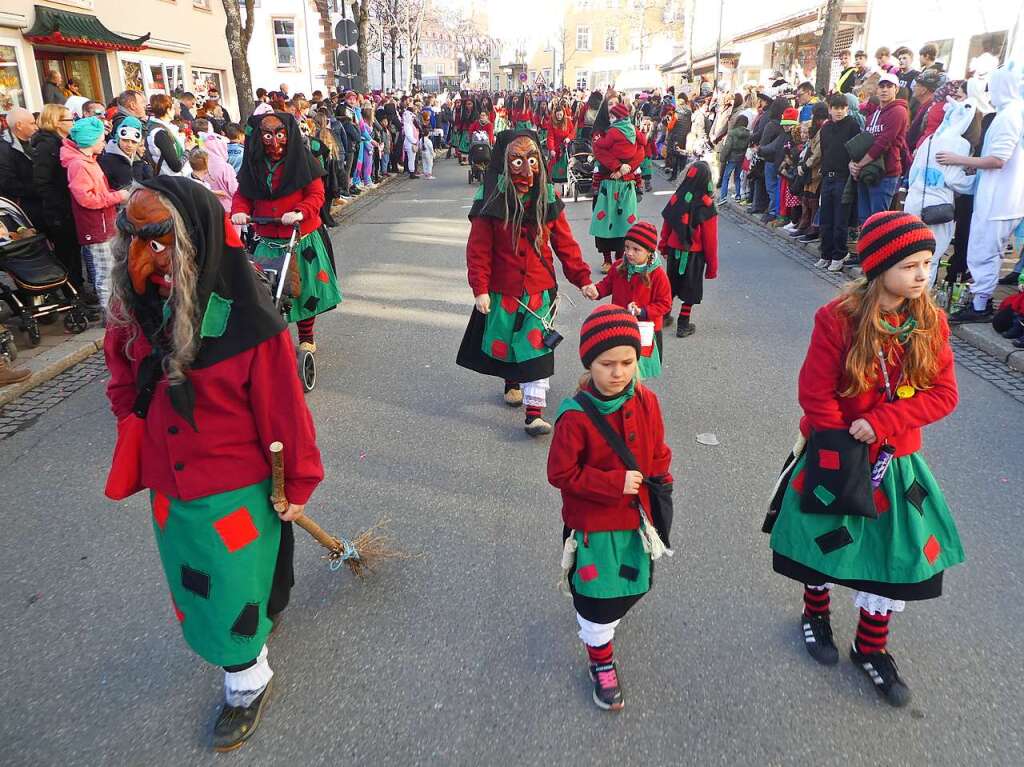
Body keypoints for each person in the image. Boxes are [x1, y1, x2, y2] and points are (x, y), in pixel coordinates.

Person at [104, 177, 322, 751]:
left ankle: (246, 680)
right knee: (192, 581)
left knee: (230, 587)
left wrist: (298, 481)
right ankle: (247, 633)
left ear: (193, 239)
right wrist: (136, 421)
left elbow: (286, 415)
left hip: (234, 490)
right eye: (131, 239)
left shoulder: (251, 326)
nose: (141, 260)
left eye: (157, 242)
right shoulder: (133, 314)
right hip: (168, 488)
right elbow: (122, 382)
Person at [765, 210, 963, 708]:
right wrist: (842, 444)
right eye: (910, 265)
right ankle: (815, 615)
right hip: (836, 456)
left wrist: (882, 424)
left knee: (890, 554)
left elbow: (943, 394)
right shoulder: (838, 319)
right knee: (824, 541)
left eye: (927, 263)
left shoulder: (932, 322)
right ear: (879, 267)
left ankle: (871, 648)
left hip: (895, 462)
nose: (922, 275)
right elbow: (815, 392)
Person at [547, 304, 673, 711]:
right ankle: (600, 660)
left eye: (628, 362)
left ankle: (604, 628)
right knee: (598, 601)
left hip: (635, 520)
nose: (618, 372)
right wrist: (612, 483)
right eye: (607, 363)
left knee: (632, 585)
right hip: (594, 525)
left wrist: (661, 483)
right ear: (589, 362)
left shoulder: (647, 400)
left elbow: (657, 449)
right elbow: (561, 473)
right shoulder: (575, 416)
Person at [456, 129, 595, 436]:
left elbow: (565, 242)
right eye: (517, 160)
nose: (525, 167)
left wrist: (582, 277)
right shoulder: (490, 197)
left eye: (531, 159)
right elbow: (478, 249)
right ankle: (511, 380)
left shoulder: (547, 195)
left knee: (536, 349)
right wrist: (480, 288)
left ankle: (534, 413)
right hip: (503, 290)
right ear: (505, 162)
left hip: (538, 290)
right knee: (508, 346)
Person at [231, 112, 341, 352]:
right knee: (264, 292)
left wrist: (300, 212)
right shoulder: (254, 165)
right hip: (268, 239)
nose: (274, 143)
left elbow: (316, 194)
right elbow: (243, 194)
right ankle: (272, 341)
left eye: (280, 135)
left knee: (303, 291)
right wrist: (239, 210)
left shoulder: (302, 161)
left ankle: (306, 338)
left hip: (300, 237)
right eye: (268, 136)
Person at [941, 64, 1024, 323]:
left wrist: (958, 159)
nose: (990, 93)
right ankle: (981, 301)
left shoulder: (1009, 115)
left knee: (983, 251)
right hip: (1002, 196)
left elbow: (998, 159)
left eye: (992, 87)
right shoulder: (1012, 113)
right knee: (988, 251)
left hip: (1000, 199)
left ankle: (980, 305)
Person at [903, 99, 976, 287]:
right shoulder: (959, 144)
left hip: (914, 201)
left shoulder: (930, 138)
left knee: (910, 254)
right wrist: (978, 182)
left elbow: (913, 173)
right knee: (930, 258)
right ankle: (921, 302)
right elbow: (954, 180)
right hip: (938, 207)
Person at [584, 221, 671, 379]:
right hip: (619, 325)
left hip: (645, 330)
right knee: (619, 367)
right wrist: (595, 291)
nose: (629, 253)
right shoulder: (618, 266)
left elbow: (665, 304)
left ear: (649, 252)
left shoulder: (658, 275)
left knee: (638, 370)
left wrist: (643, 311)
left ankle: (634, 398)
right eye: (627, 247)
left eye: (636, 249)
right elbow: (606, 285)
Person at [61, 116, 130, 312]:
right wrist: (117, 196)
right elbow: (87, 199)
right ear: (90, 141)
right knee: (105, 272)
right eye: (101, 139)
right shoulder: (79, 165)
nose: (104, 142)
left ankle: (116, 309)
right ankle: (109, 314)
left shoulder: (89, 161)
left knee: (111, 270)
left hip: (104, 224)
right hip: (95, 228)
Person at [658, 160, 719, 337]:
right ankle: (683, 324)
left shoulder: (677, 197)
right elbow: (710, 240)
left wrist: (663, 245)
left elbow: (667, 224)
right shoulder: (706, 206)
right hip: (694, 254)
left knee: (672, 284)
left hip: (674, 250)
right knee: (690, 288)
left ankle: (664, 315)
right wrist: (712, 267)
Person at [31, 104, 84, 289]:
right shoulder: (46, 146)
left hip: (67, 207)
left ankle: (78, 290)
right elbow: (42, 182)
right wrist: (60, 206)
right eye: (69, 119)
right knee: (66, 255)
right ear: (56, 122)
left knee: (74, 253)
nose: (73, 122)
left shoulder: (63, 142)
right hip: (59, 211)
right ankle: (73, 294)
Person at [590, 100, 645, 273]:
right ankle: (606, 259)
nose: (612, 115)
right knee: (605, 223)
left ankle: (621, 259)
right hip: (607, 185)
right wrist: (616, 166)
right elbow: (599, 151)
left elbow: (641, 151)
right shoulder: (603, 131)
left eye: (615, 104)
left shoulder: (628, 131)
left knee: (625, 225)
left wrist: (626, 170)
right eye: (609, 105)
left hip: (625, 184)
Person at [851, 72, 909, 225]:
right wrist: (853, 163)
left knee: (878, 222)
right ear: (876, 90)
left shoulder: (899, 111)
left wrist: (859, 164)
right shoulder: (873, 114)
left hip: (886, 173)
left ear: (896, 89)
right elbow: (864, 142)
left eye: (889, 86)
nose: (884, 90)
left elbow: (883, 143)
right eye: (881, 86)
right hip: (866, 171)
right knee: (864, 220)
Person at [816, 94, 862, 271]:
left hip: (844, 178)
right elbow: (824, 151)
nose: (839, 111)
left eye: (842, 108)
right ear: (830, 109)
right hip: (828, 177)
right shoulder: (826, 128)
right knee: (826, 218)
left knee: (840, 219)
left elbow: (857, 150)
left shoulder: (852, 125)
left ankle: (839, 255)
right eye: (836, 108)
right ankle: (825, 254)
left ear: (847, 109)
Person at [0, 107, 43, 225]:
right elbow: (8, 183)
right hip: (25, 209)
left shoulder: (36, 143)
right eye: (32, 123)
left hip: (38, 203)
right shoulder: (4, 150)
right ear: (19, 125)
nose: (36, 127)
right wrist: (39, 189)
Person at [98, 115, 154, 191]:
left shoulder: (139, 162)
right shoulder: (106, 161)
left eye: (134, 142)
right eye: (125, 140)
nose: (129, 145)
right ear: (118, 138)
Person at [146, 95, 185, 176]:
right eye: (173, 108)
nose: (175, 111)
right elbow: (176, 166)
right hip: (172, 179)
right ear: (168, 110)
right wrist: (188, 149)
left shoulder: (156, 127)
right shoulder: (160, 133)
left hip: (170, 177)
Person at [718, 114, 750, 203]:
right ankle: (738, 195)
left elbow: (727, 147)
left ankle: (723, 197)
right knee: (737, 177)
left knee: (726, 177)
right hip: (741, 158)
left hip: (732, 158)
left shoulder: (732, 133)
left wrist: (722, 157)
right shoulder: (748, 134)